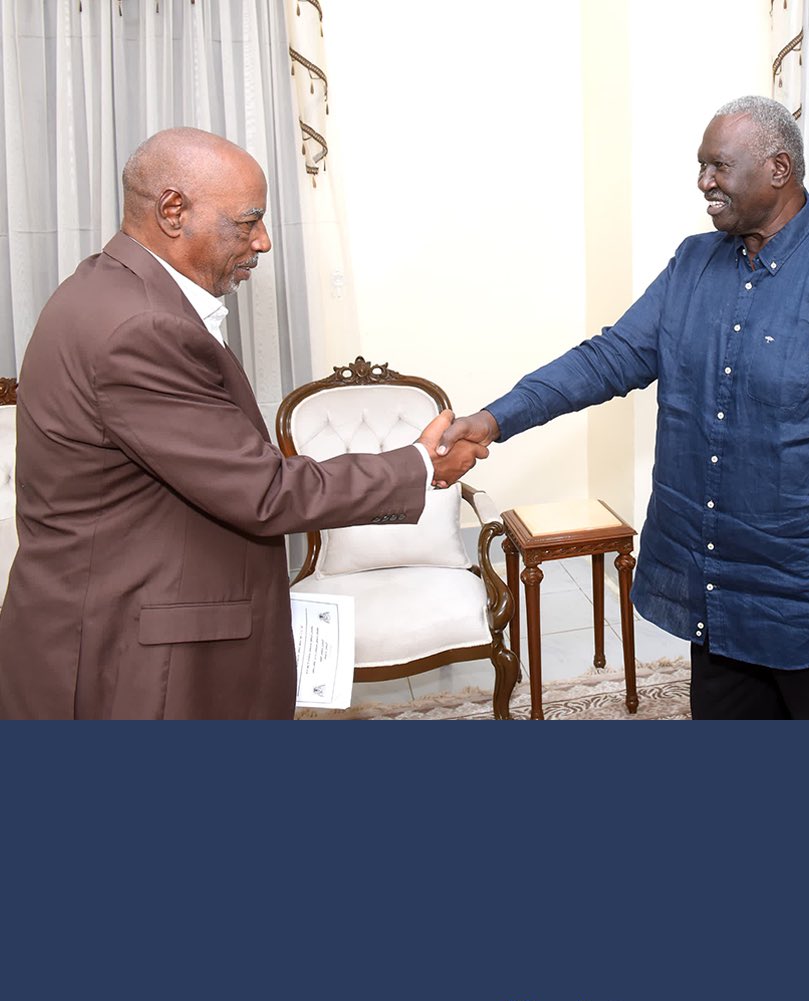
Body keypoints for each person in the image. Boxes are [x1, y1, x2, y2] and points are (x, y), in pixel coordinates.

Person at [438, 96, 809, 719]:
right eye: (701, 166)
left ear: (779, 169)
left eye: (719, 166)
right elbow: (610, 358)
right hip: (719, 605)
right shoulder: (693, 263)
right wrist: (495, 419)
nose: (704, 182)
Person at [0, 127, 486, 721]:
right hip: (130, 654)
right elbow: (264, 492)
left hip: (120, 621)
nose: (263, 240)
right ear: (173, 211)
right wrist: (419, 464)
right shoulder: (141, 328)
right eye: (247, 221)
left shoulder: (107, 288)